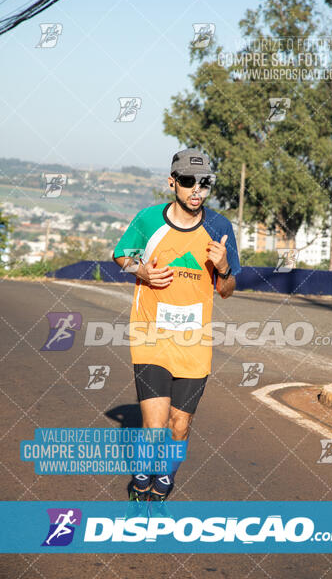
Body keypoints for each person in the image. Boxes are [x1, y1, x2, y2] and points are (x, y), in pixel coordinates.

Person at [113, 148, 241, 504]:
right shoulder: (148, 220)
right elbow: (121, 255)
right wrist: (141, 271)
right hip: (150, 335)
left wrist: (225, 267)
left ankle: (165, 478)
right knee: (154, 428)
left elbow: (227, 292)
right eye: (188, 181)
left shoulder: (220, 228)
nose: (196, 189)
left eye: (205, 182)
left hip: (195, 343)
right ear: (173, 183)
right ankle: (140, 482)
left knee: (179, 426)